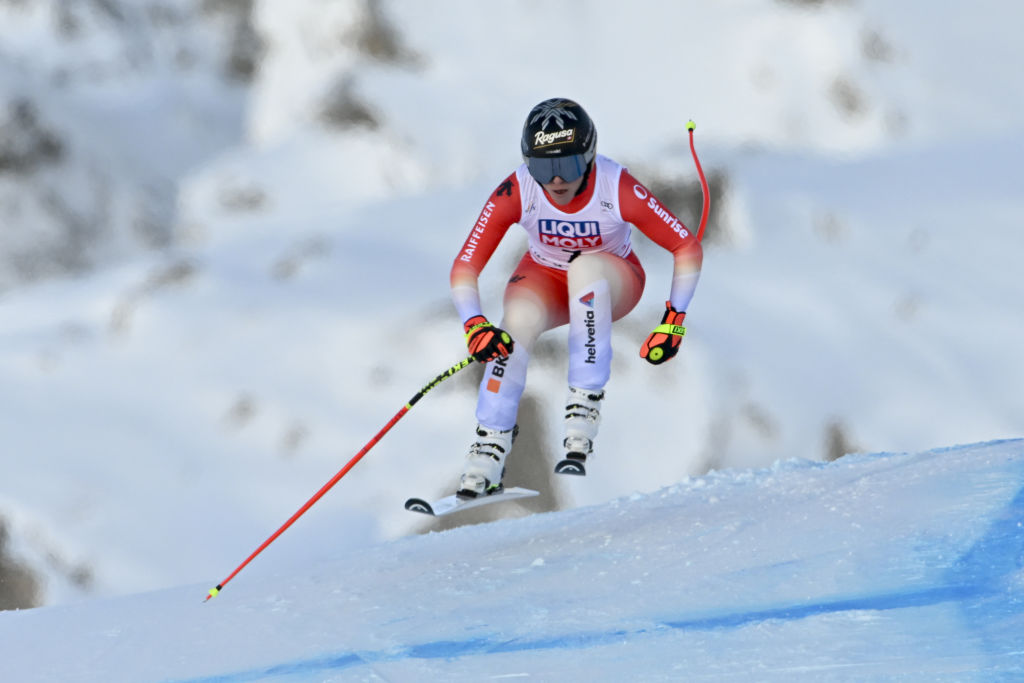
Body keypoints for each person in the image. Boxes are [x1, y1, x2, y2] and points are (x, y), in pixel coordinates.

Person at [449, 97, 703, 498]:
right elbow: (465, 265)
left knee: (586, 269)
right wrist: (473, 324)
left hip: (612, 278)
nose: (555, 181)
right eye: (542, 167)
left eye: (566, 165)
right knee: (515, 323)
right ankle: (489, 447)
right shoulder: (518, 189)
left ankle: (583, 403)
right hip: (546, 276)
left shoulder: (615, 185)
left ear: (588, 157)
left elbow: (685, 246)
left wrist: (674, 319)